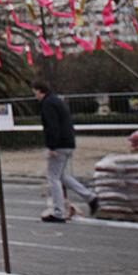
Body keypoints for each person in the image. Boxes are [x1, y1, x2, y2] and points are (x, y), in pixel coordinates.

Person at [33, 80, 97, 222]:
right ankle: (90, 197)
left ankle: (58, 212)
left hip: (59, 145)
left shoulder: (48, 104)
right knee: (62, 176)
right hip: (68, 143)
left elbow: (52, 126)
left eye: (35, 93)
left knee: (53, 177)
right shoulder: (57, 101)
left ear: (39, 91)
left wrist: (52, 146)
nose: (35, 96)